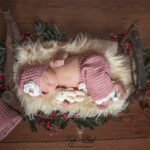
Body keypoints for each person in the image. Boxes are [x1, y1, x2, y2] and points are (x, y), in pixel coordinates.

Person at [17, 50, 126, 110]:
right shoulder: (60, 88)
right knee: (94, 87)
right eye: (46, 88)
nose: (50, 85)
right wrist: (67, 101)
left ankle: (107, 93)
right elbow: (71, 93)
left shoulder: (53, 64)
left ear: (45, 69)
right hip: (90, 78)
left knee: (97, 89)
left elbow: (63, 52)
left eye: (47, 79)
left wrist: (60, 57)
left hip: (89, 63)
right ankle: (112, 87)